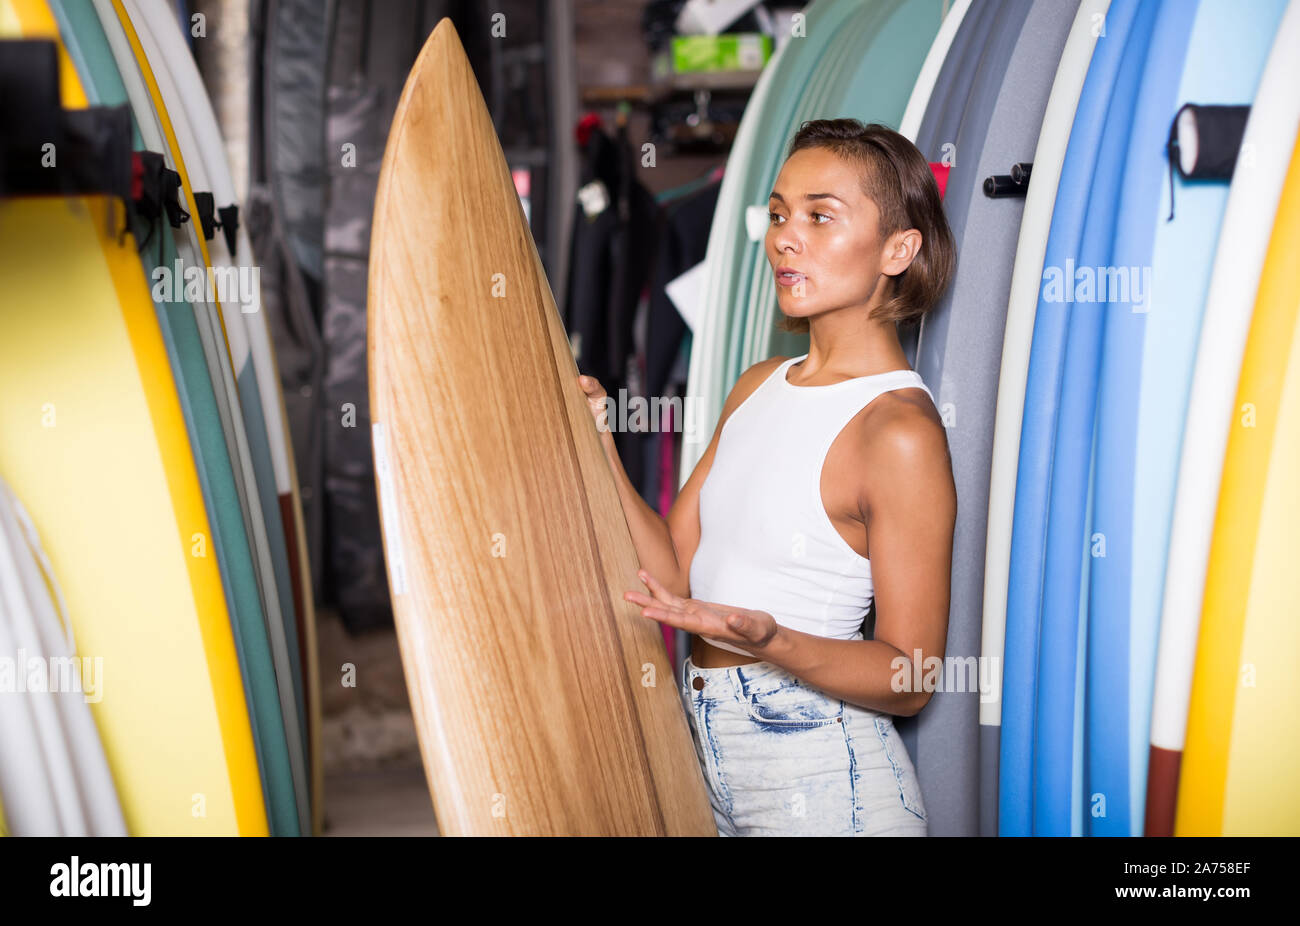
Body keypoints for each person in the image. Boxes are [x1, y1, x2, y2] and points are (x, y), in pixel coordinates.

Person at [578, 119, 957, 836]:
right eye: (779, 213)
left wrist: (769, 639)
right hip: (707, 754)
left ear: (898, 249)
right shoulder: (756, 386)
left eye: (820, 216)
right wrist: (600, 442)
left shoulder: (898, 430)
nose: (785, 236)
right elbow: (672, 573)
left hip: (827, 775)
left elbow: (912, 678)